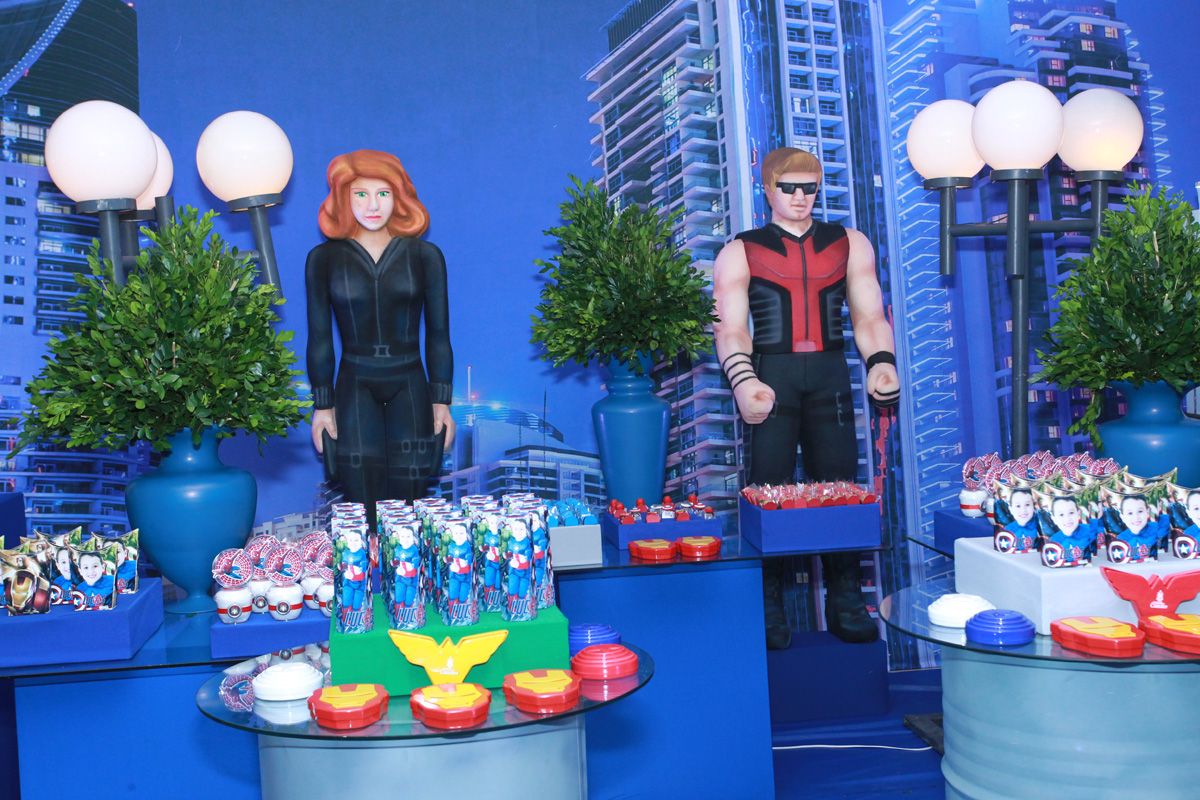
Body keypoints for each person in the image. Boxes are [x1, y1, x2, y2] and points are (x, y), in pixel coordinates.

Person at [713, 147, 899, 647]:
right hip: (770, 376)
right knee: (766, 491)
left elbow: (869, 316)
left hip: (829, 374)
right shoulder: (741, 250)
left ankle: (845, 599)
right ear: (767, 189)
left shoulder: (849, 243)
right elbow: (730, 328)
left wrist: (881, 363)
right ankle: (767, 604)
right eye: (789, 187)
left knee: (840, 489)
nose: (800, 197)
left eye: (809, 187)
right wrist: (742, 380)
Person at [306, 150, 455, 525]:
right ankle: (367, 562)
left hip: (410, 383)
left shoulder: (426, 256)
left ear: (399, 197)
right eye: (360, 194)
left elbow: (439, 333)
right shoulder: (323, 259)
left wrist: (441, 401)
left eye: (383, 193)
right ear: (343, 197)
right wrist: (322, 405)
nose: (372, 205)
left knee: (411, 495)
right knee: (360, 495)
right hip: (354, 384)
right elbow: (320, 337)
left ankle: (407, 563)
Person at [1040, 496, 1099, 568]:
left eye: (1071, 513)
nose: (1067, 519)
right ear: (1054, 519)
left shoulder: (1090, 531)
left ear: (1078, 514)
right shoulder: (1053, 542)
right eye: (1061, 514)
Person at [995, 488, 1039, 554]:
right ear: (1011, 509)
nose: (1023, 510)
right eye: (1018, 506)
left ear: (1034, 506)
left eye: (1027, 505)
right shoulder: (1007, 531)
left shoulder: (1040, 528)